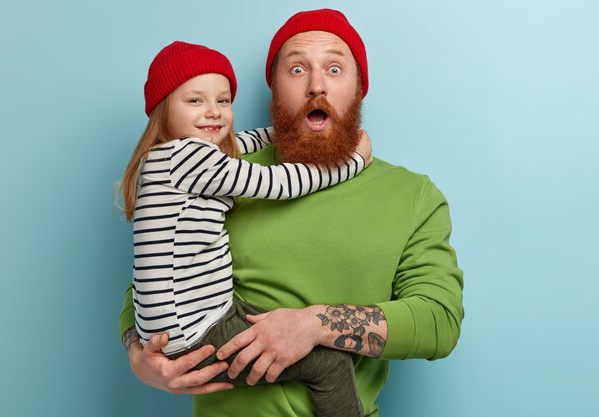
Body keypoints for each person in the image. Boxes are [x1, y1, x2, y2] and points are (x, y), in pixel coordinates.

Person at [119, 9, 464, 417]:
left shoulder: (413, 195)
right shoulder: (228, 173)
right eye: (297, 68)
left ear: (359, 88)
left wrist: (315, 324)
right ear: (274, 88)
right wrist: (140, 356)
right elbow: (153, 269)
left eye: (334, 68)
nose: (316, 85)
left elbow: (438, 321)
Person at [121, 40, 372, 417]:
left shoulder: (162, 158)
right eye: (195, 101)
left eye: (223, 101)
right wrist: (354, 161)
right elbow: (279, 183)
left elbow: (237, 141)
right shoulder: (188, 157)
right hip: (197, 330)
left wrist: (288, 129)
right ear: (163, 109)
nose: (213, 113)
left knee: (273, 322)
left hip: (175, 323)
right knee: (330, 363)